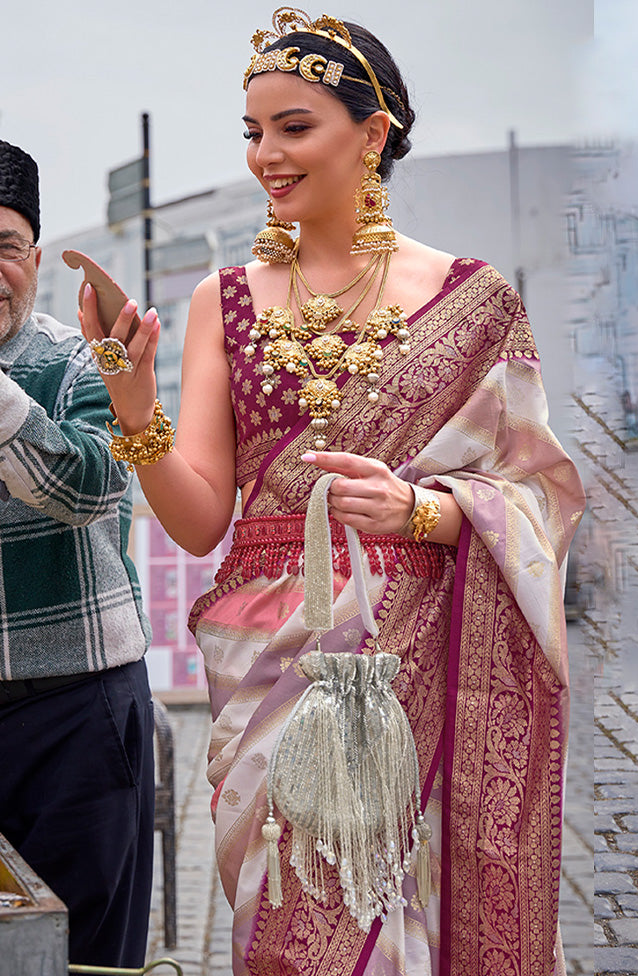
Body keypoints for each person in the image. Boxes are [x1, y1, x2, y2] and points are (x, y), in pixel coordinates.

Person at [81, 8, 586, 974]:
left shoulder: (472, 302)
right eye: (253, 132)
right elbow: (197, 524)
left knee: (414, 924)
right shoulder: (220, 302)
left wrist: (423, 512)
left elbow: (539, 499)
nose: (266, 154)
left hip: (423, 665)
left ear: (375, 131)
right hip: (270, 665)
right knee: (290, 934)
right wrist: (136, 408)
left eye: (294, 127)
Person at [0, 139, 154, 969]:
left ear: (34, 257)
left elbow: (91, 487)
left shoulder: (78, 361)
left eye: (5, 247)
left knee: (82, 956)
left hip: (78, 714)